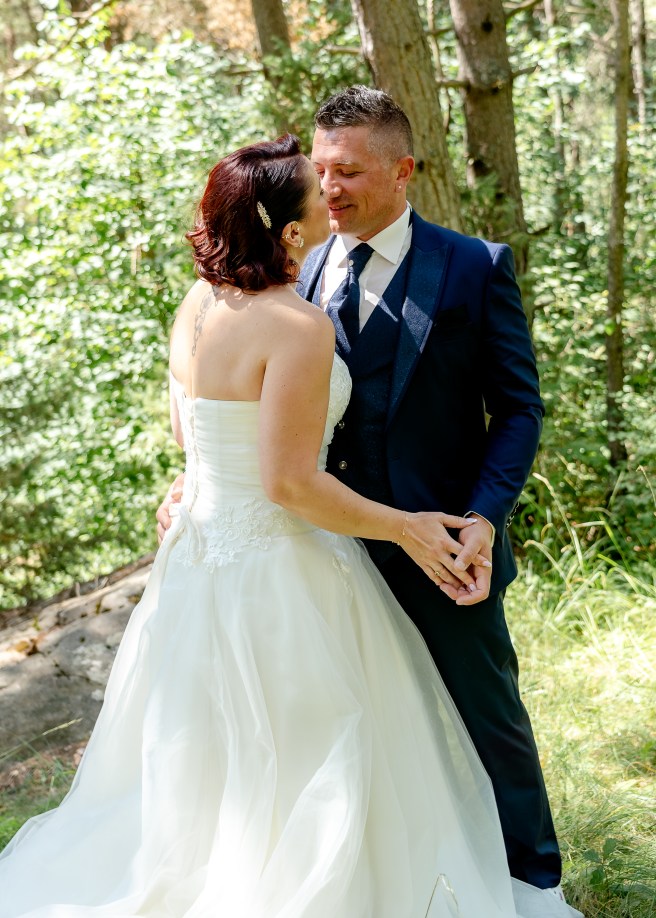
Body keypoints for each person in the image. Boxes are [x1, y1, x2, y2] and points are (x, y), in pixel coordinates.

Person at [0, 134, 529, 916]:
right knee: (319, 749)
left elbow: (195, 436)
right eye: (316, 190)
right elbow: (288, 483)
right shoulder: (298, 326)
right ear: (289, 232)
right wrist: (409, 527)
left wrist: (196, 484)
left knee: (213, 757)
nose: (329, 194)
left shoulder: (197, 304)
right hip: (287, 566)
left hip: (199, 564)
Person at [159, 90, 583, 918]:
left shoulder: (474, 266)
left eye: (348, 170)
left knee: (488, 718)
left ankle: (536, 886)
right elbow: (237, 404)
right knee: (343, 741)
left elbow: (520, 411)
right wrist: (197, 480)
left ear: (403, 170)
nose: (331, 187)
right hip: (315, 553)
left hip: (441, 543)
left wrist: (483, 522)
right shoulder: (295, 266)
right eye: (320, 172)